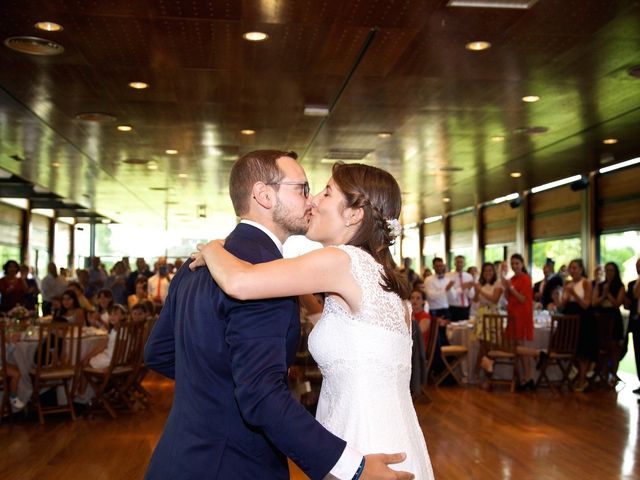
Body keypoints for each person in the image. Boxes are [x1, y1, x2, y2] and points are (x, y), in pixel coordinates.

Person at [145, 151, 415, 480]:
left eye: (321, 191)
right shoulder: (268, 271)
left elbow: (158, 352)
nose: (311, 199)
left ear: (356, 214)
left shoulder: (197, 268)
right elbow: (260, 391)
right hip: (234, 464)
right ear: (264, 195)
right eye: (302, 188)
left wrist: (212, 248)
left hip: (178, 457)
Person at [557, 259, 593, 392]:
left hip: (583, 319)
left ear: (581, 269)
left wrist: (573, 294)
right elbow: (561, 305)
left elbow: (586, 304)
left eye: (575, 268)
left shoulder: (586, 282)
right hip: (569, 318)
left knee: (583, 351)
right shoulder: (568, 283)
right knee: (569, 349)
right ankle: (575, 376)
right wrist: (563, 299)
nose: (572, 271)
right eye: (571, 268)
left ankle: (583, 380)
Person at [502, 254, 534, 390]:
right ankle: (520, 378)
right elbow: (507, 298)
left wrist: (511, 288)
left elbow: (522, 299)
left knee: (521, 346)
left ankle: (528, 377)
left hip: (521, 316)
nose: (515, 266)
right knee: (515, 348)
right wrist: (506, 288)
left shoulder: (526, 279)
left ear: (522, 264)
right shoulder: (512, 279)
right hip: (512, 316)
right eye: (513, 263)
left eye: (517, 263)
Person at [592, 262, 626, 386]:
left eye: (611, 270)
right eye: (607, 270)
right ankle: (602, 373)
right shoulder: (600, 285)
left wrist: (608, 294)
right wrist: (603, 296)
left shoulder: (620, 286)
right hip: (601, 318)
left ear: (615, 272)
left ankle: (613, 374)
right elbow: (594, 302)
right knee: (602, 346)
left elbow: (617, 303)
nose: (609, 273)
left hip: (614, 317)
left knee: (614, 348)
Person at [624, 259, 640, 394]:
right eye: (637, 267)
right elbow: (628, 304)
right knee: (638, 353)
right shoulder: (632, 284)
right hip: (636, 322)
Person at [446, 255, 474, 321]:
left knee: (465, 327)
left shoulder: (469, 276)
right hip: (453, 306)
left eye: (461, 262)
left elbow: (471, 295)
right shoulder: (448, 276)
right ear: (454, 263)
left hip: (466, 306)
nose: (459, 264)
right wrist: (462, 288)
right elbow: (449, 294)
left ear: (464, 263)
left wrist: (469, 288)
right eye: (457, 262)